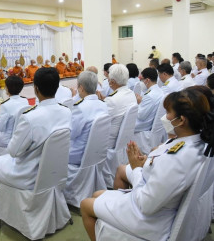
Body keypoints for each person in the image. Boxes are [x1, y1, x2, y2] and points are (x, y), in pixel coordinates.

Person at [81, 87, 214, 241]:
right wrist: (148, 162)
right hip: (161, 204)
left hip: (151, 219)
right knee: (98, 194)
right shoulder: (197, 142)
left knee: (86, 204)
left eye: (169, 113)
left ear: (181, 120)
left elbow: (146, 204)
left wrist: (137, 168)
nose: (165, 117)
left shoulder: (177, 158)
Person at [0, 68, 71, 224]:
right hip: (53, 171)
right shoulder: (66, 112)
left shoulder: (30, 117)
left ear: (35, 88)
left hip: (27, 174)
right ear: (57, 86)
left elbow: (13, 152)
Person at [102, 64, 137, 187]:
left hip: (109, 141)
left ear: (111, 82)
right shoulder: (131, 94)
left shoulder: (111, 100)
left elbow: (101, 122)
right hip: (122, 141)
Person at [68, 71, 108, 165]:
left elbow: (71, 135)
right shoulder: (104, 105)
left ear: (81, 88)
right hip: (96, 152)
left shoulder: (80, 108)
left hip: (78, 155)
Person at [0, 76, 28, 148]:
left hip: (7, 139)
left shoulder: (5, 105)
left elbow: (0, 128)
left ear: (7, 88)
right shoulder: (25, 100)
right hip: (20, 136)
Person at [133, 67, 164, 136]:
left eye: (142, 79)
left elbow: (141, 115)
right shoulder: (159, 91)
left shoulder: (149, 96)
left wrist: (138, 102)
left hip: (142, 127)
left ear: (147, 80)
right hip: (149, 125)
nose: (141, 82)